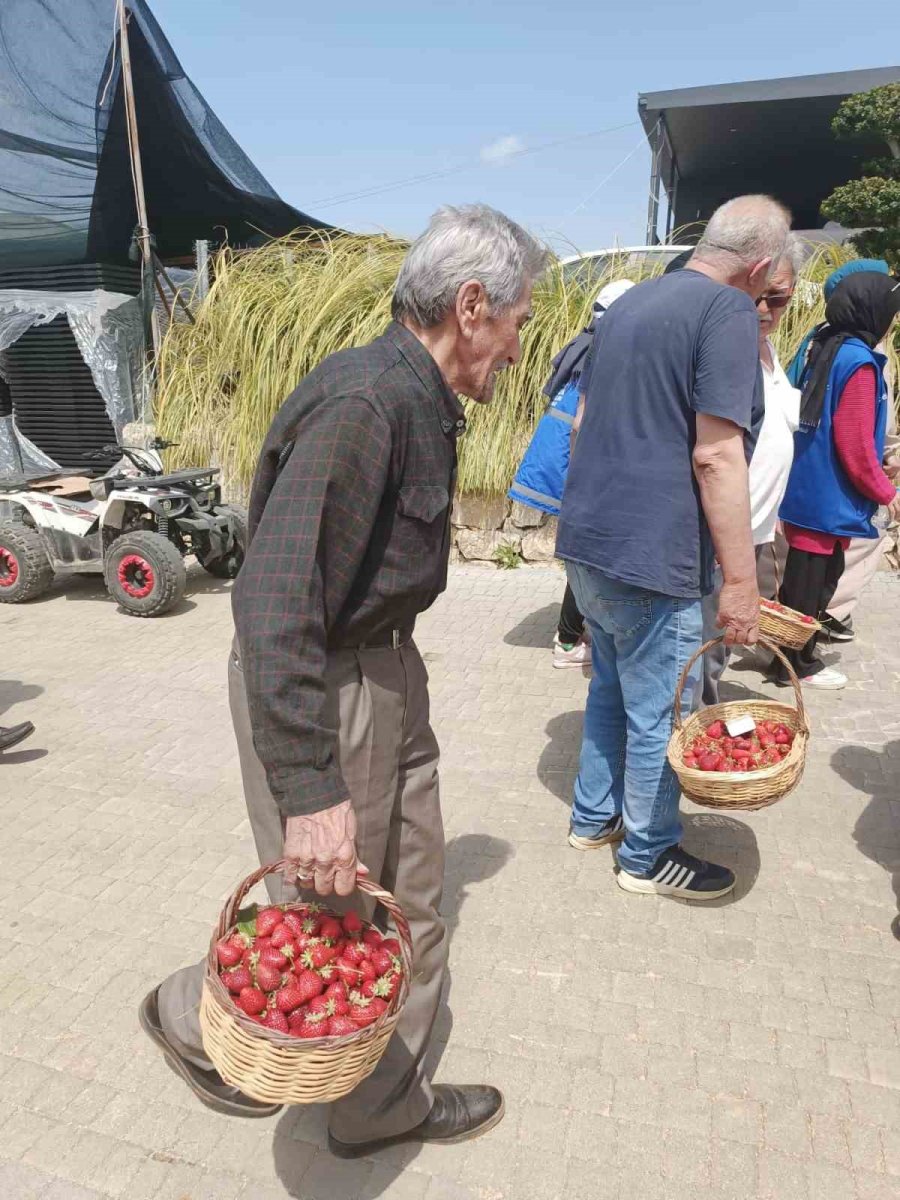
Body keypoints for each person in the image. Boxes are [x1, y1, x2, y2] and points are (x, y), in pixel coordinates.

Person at [140, 205, 549, 1155]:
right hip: (326, 688)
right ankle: (189, 1013)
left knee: (414, 904)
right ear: (473, 306)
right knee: (329, 914)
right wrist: (312, 790)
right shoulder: (364, 404)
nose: (520, 348)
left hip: (386, 672)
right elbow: (274, 602)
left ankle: (379, 1106)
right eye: (520, 323)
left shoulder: (420, 400)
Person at [556, 194, 791, 902]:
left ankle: (593, 818)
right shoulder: (724, 312)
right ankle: (648, 855)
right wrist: (743, 587)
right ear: (758, 265)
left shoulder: (633, 303)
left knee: (611, 688)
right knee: (662, 707)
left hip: (589, 543)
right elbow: (718, 457)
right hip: (655, 557)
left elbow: (583, 424)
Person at [773, 271, 900, 689]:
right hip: (828, 497)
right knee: (812, 586)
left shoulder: (824, 345)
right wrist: (886, 492)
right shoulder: (859, 363)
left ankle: (785, 656)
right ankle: (795, 665)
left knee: (802, 581)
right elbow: (855, 445)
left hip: (807, 488)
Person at [698, 234, 806, 705]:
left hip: (754, 530)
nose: (765, 308)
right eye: (758, 295)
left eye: (778, 298)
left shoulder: (770, 351)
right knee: (698, 648)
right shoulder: (723, 346)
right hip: (716, 538)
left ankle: (701, 714)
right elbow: (712, 455)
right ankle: (687, 745)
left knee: (719, 646)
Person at [508, 280, 634, 668]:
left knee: (585, 557)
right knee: (586, 558)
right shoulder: (606, 355)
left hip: (563, 464)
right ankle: (567, 640)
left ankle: (578, 631)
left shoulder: (584, 346)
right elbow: (583, 425)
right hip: (573, 468)